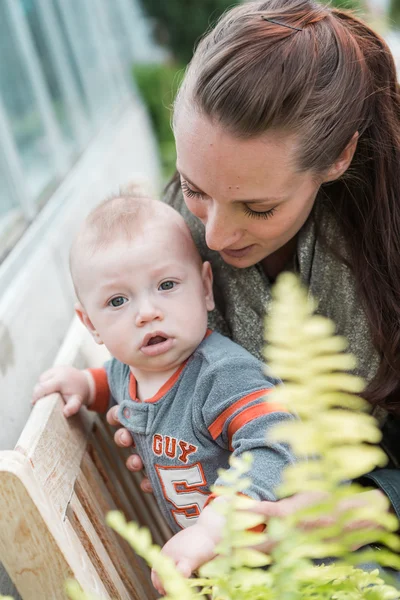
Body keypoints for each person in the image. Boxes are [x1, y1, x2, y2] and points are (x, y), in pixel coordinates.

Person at [108, 0, 400, 575]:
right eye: (195, 188)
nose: (214, 234)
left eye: (259, 207)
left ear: (340, 156)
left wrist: (371, 506)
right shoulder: (172, 240)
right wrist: (161, 418)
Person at [32, 192, 296, 592]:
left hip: (279, 556)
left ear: (205, 289)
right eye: (118, 300)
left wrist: (215, 525)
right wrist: (86, 386)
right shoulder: (129, 371)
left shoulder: (222, 376)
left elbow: (275, 439)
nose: (146, 312)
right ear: (91, 324)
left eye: (167, 284)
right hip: (215, 567)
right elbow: (113, 383)